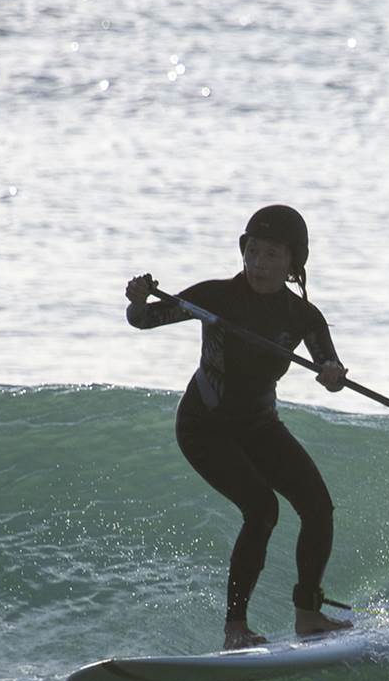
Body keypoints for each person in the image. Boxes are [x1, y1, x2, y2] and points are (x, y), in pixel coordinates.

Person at [126, 204, 353, 650]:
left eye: (272, 254)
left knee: (318, 507)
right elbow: (145, 320)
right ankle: (235, 628)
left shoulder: (302, 316)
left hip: (258, 425)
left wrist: (333, 373)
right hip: (204, 427)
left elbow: (330, 367)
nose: (259, 263)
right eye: (252, 251)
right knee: (262, 509)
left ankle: (308, 613)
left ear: (292, 263)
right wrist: (136, 301)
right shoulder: (215, 297)